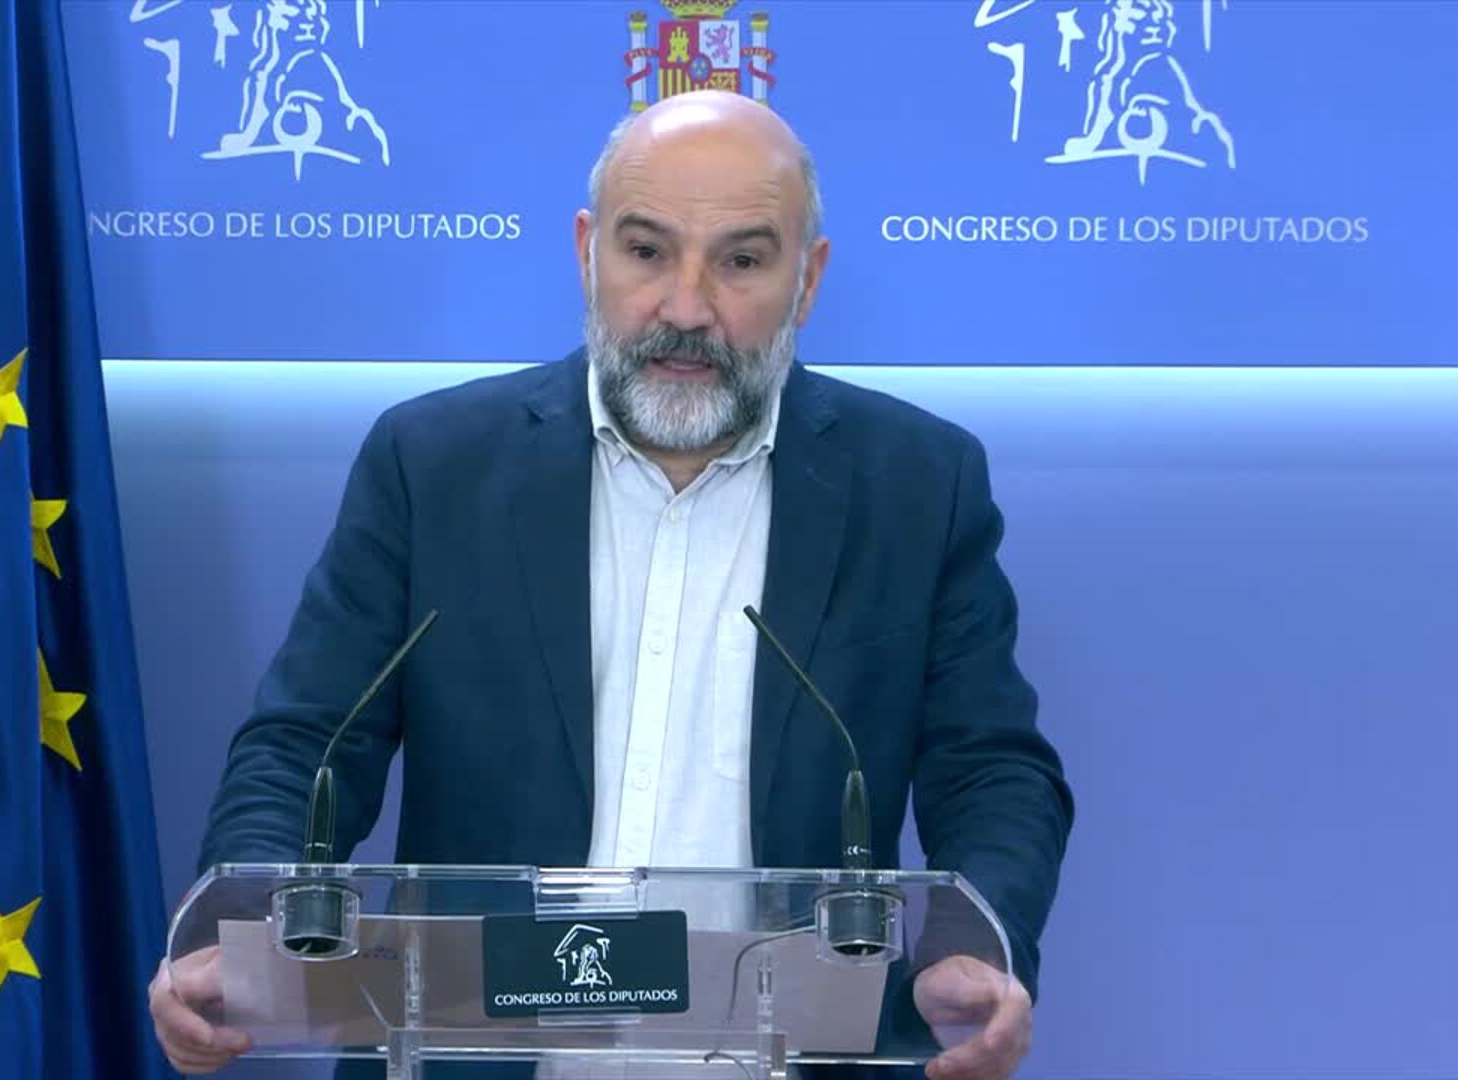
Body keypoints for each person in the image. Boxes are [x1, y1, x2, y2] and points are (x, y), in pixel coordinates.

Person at [150, 90, 1074, 1080]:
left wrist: (972, 945)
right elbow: (306, 743)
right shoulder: (433, 465)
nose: (685, 308)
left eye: (742, 261)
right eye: (646, 251)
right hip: (475, 1057)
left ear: (807, 281)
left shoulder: (916, 484)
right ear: (589, 252)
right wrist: (241, 925)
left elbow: (991, 769)